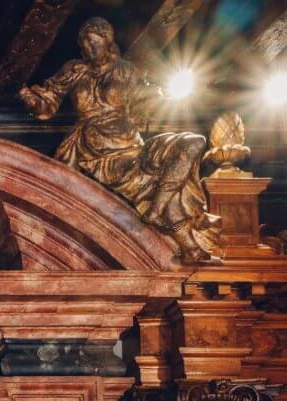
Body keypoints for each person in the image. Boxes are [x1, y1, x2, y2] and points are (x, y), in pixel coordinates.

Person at [19, 17, 220, 262]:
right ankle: (185, 242)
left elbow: (146, 104)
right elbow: (47, 104)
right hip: (89, 151)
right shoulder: (75, 69)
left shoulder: (126, 70)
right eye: (85, 43)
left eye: (95, 42)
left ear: (107, 40)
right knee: (150, 186)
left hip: (129, 147)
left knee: (193, 142)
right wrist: (29, 98)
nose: (90, 48)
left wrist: (159, 96)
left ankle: (158, 210)